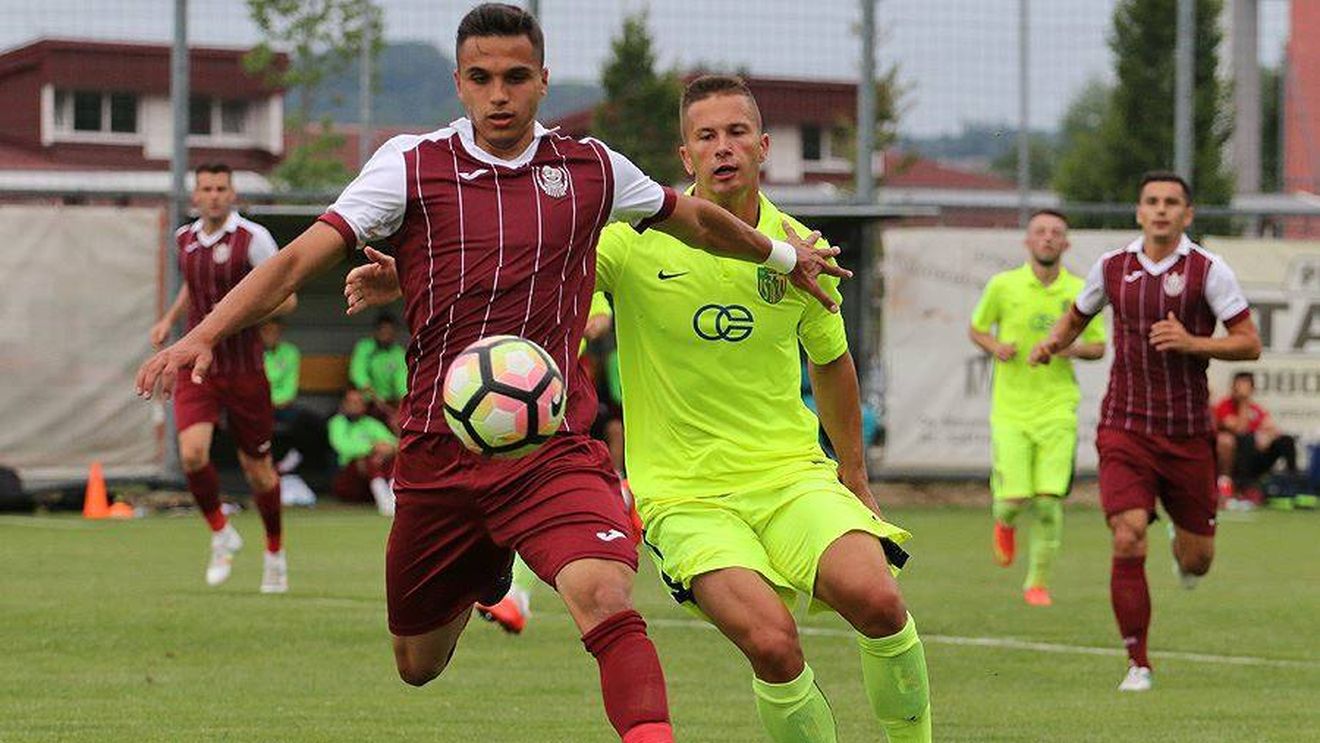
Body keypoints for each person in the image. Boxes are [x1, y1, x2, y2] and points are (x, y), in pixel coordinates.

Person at [137, 7, 846, 742]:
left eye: (515, 77)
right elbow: (294, 260)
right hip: (438, 450)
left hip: (551, 447)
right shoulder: (410, 164)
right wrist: (202, 334)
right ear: (459, 83)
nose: (498, 95)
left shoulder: (592, 168)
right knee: (417, 662)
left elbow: (694, 219)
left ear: (543, 80)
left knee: (604, 594)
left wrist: (788, 259)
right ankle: (488, 572)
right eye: (481, 78)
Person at [346, 73, 928, 742]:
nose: (723, 148)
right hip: (685, 495)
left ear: (764, 145)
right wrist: (412, 274)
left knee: (881, 601)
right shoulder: (631, 239)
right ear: (686, 157)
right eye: (706, 137)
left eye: (737, 133)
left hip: (793, 475)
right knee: (773, 643)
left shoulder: (798, 250)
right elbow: (535, 263)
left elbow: (832, 364)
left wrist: (854, 477)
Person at [1031, 172, 1262, 692]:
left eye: (1171, 203)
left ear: (1188, 214)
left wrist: (1193, 342)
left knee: (1198, 561)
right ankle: (1138, 661)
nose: (1161, 210)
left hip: (1186, 433)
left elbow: (1249, 343)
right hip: (1125, 427)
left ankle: (1186, 539)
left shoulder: (1209, 271)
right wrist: (1051, 344)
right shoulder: (1112, 267)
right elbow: (1075, 316)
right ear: (1139, 212)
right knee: (1128, 534)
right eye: (1152, 202)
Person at [148, 162, 294, 594]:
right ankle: (221, 531)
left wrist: (241, 317)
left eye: (222, 188)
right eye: (207, 188)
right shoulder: (184, 239)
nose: (214, 195)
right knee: (192, 454)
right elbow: (194, 286)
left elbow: (286, 296)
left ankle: (275, 553)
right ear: (195, 196)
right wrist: (169, 320)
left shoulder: (254, 240)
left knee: (258, 471)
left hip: (245, 370)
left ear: (233, 195)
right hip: (199, 368)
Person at [968, 209, 1106, 607]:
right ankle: (1003, 522)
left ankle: (1037, 583)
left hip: (1058, 407)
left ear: (1066, 243)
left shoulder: (1079, 292)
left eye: (1056, 233)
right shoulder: (1003, 286)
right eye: (1040, 232)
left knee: (1047, 502)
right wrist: (996, 347)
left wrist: (1067, 346)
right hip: (1011, 410)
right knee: (1012, 503)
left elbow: (1098, 346)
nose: (1048, 238)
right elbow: (977, 328)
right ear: (1028, 241)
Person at [1213, 371, 1299, 505]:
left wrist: (1267, 437)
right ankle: (1244, 487)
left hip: (1255, 458)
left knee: (1286, 441)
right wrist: (1243, 402)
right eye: (1240, 385)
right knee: (1246, 438)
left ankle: (1292, 487)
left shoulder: (1256, 409)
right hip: (1236, 461)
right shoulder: (1225, 406)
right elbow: (1240, 429)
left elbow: (1273, 429)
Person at [328, 388, 398, 516]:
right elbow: (343, 446)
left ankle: (394, 498)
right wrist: (372, 448)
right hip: (349, 478)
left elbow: (392, 442)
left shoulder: (371, 423)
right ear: (344, 404)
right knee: (368, 460)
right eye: (351, 402)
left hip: (373, 476)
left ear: (364, 405)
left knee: (392, 459)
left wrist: (388, 449)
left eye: (358, 402)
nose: (354, 406)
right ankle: (384, 502)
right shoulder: (337, 423)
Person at [349, 312, 408, 429]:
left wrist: (399, 409)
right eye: (383, 331)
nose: (385, 335)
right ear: (376, 331)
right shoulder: (365, 347)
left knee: (399, 422)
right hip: (367, 400)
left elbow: (401, 384)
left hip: (388, 402)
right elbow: (358, 376)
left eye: (389, 332)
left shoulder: (399, 354)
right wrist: (378, 402)